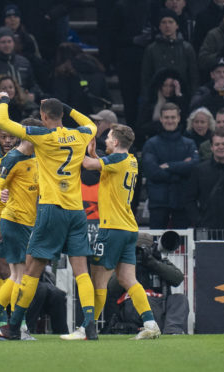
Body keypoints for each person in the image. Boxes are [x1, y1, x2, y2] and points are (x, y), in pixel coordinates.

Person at [0, 93, 98, 340]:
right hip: (76, 211)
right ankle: (90, 325)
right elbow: (92, 124)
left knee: (31, 270)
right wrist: (68, 107)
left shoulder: (43, 135)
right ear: (61, 115)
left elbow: (3, 124)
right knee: (82, 272)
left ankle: (14, 326)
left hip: (52, 209)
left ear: (43, 117)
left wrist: (5, 100)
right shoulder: (81, 134)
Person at [81, 123, 161, 340]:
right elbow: (103, 166)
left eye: (107, 138)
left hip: (112, 228)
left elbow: (88, 165)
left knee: (98, 280)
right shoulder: (132, 160)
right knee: (128, 279)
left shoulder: (116, 159)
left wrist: (75, 148)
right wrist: (93, 153)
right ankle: (151, 323)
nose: (105, 140)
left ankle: (86, 330)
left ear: (116, 142)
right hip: (129, 228)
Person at [0, 118, 40, 341]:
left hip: (26, 222)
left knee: (15, 275)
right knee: (20, 275)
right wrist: (0, 195)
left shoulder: (35, 158)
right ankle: (17, 326)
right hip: (14, 221)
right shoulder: (12, 158)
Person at [105, 232, 188, 335]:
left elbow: (178, 278)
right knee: (141, 299)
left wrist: (152, 262)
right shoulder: (124, 262)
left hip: (159, 306)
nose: (141, 252)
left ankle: (172, 332)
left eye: (144, 250)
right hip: (132, 305)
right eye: (137, 249)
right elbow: (111, 288)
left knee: (180, 299)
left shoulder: (158, 260)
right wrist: (131, 264)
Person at [142, 102, 198, 229]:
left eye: (173, 117)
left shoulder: (189, 143)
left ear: (178, 118)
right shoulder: (151, 144)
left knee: (181, 243)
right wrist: (181, 170)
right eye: (166, 117)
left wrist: (169, 166)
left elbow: (194, 166)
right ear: (161, 119)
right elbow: (152, 172)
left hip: (182, 200)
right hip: (158, 202)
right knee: (155, 243)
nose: (170, 120)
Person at [0, 27, 41, 106]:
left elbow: (33, 85)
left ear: (14, 43)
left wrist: (33, 94)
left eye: (9, 41)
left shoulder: (24, 62)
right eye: (3, 42)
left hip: (24, 106)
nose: (7, 45)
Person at [140, 9, 199, 97]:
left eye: (171, 22)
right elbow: (146, 77)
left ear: (177, 25)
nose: (167, 25)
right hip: (158, 95)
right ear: (159, 26)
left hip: (182, 95)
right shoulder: (151, 49)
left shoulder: (187, 48)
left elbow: (193, 76)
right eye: (163, 22)